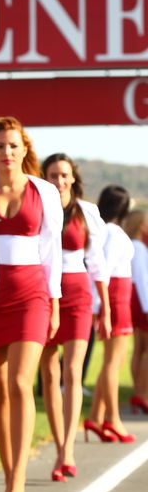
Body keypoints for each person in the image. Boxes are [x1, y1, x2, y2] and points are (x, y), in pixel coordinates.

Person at [0, 117, 62, 492]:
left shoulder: (44, 191)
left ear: (25, 150)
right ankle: (8, 470)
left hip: (31, 295)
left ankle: (18, 479)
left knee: (21, 382)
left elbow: (51, 251)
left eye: (13, 145)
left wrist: (54, 300)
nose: (7, 152)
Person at [40, 154, 110, 477]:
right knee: (49, 375)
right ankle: (58, 447)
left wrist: (105, 309)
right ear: (45, 177)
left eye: (64, 175)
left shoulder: (88, 212)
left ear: (73, 178)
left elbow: (98, 263)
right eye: (53, 174)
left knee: (72, 371)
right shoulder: (37, 205)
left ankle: (68, 449)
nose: (59, 180)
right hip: (43, 293)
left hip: (78, 294)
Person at [85, 186, 136, 442]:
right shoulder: (113, 233)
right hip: (115, 295)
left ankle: (96, 416)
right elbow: (103, 269)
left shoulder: (104, 232)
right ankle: (112, 418)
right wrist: (100, 306)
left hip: (117, 294)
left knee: (111, 361)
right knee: (113, 361)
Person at [123, 209, 148, 414]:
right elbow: (142, 279)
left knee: (138, 349)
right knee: (146, 350)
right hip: (142, 301)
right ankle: (142, 394)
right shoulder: (139, 247)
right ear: (140, 224)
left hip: (133, 299)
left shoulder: (130, 245)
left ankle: (137, 392)